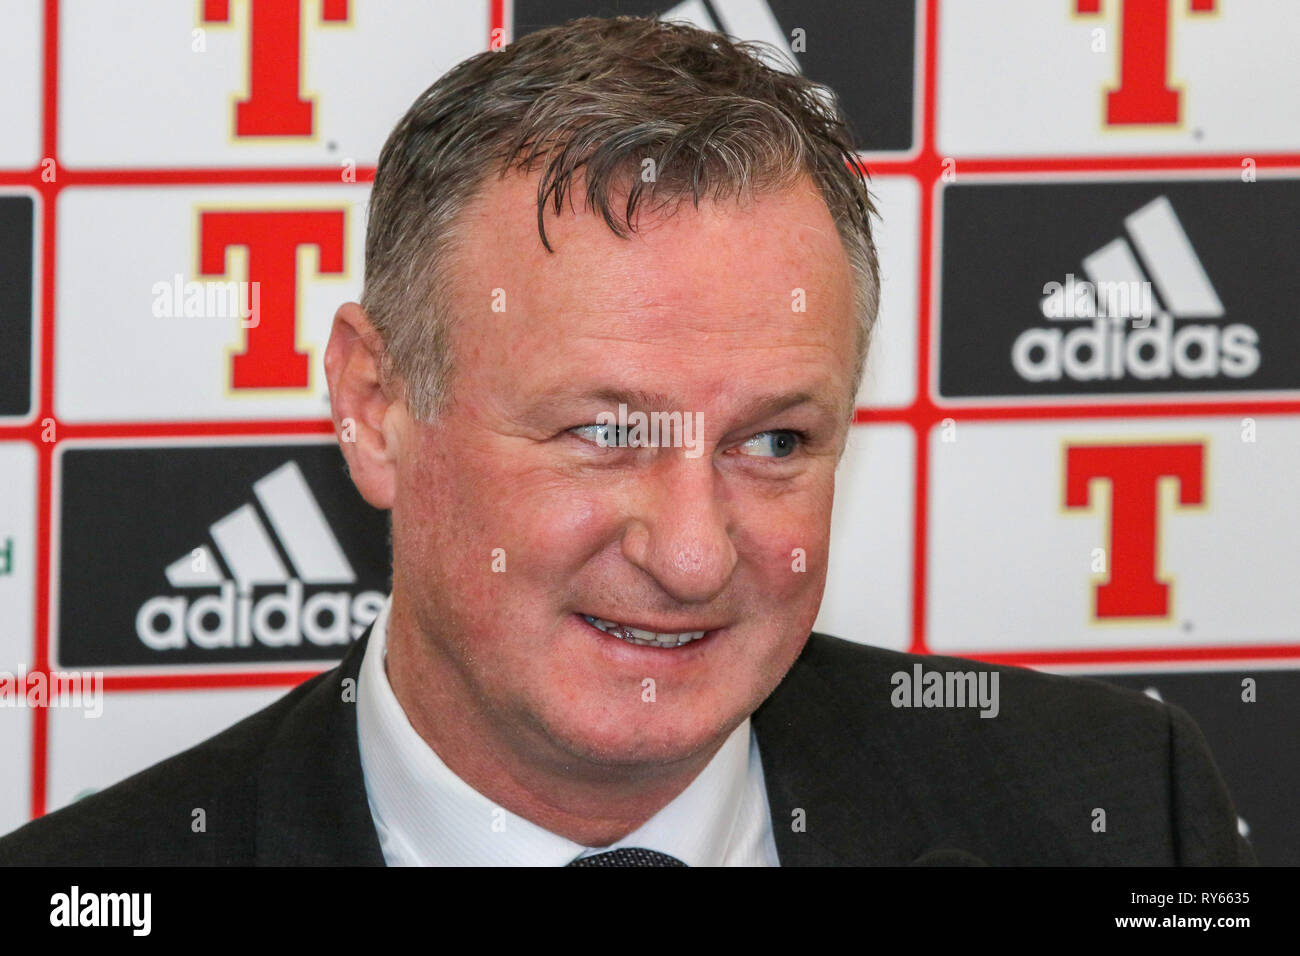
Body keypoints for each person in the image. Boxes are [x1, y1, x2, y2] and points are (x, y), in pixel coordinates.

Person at [0, 16, 1251, 866]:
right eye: (603, 430)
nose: (695, 553)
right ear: (377, 405)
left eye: (772, 441)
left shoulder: (1122, 812)